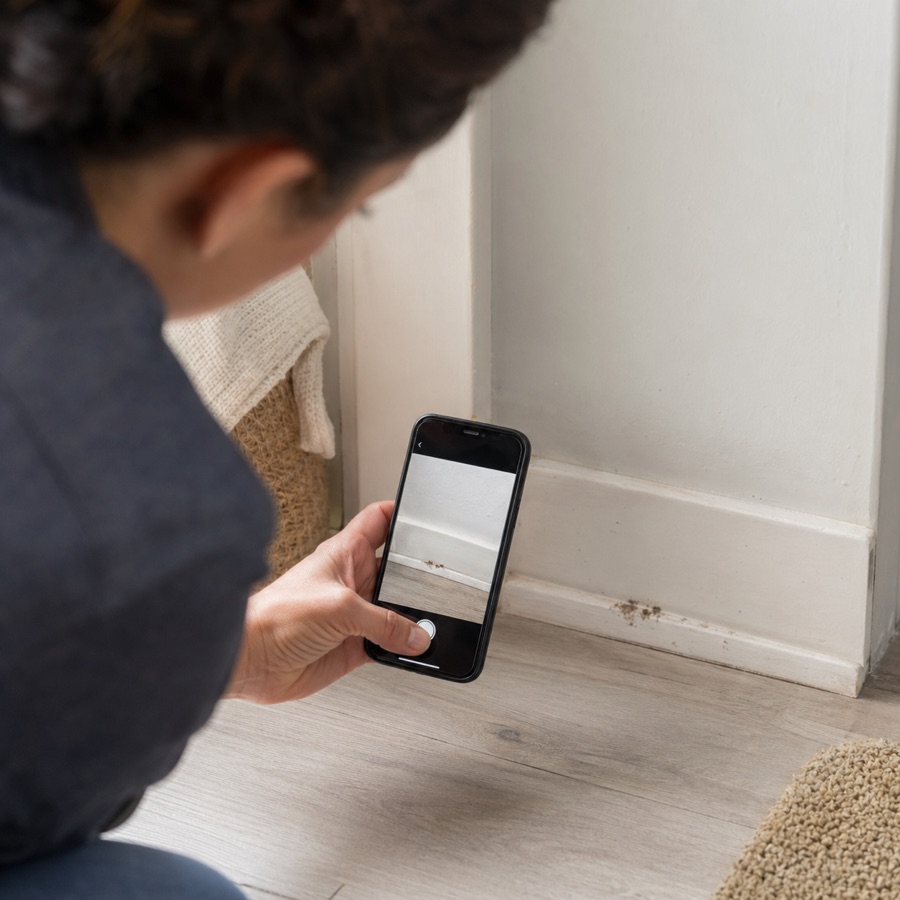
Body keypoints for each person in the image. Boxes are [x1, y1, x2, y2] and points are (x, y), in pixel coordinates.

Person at [0, 1, 554, 897]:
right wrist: (171, 657)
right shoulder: (156, 512)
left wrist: (233, 650)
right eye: (359, 206)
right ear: (248, 193)